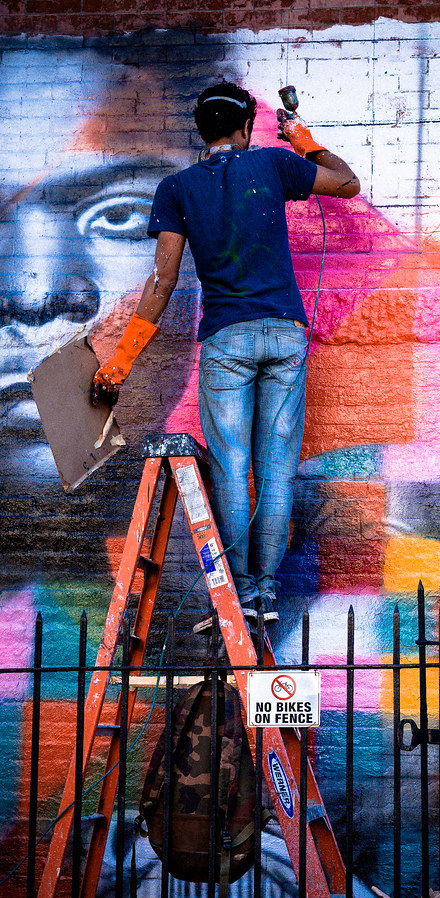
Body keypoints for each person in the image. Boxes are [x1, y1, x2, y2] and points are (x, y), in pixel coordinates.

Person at [92, 81, 360, 626]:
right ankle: (265, 593)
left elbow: (163, 281)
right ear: (243, 128)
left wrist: (120, 361)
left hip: (226, 342)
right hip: (285, 337)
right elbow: (348, 184)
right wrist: (301, 139)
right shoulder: (275, 165)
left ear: (202, 130)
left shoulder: (177, 188)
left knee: (234, 470)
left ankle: (236, 595)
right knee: (277, 472)